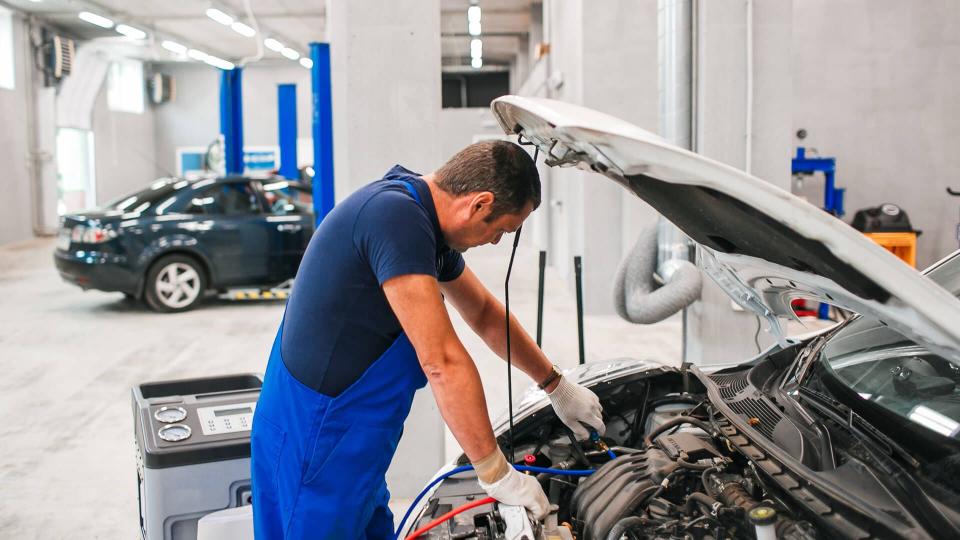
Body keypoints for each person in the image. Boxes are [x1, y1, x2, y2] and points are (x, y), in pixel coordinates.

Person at [250, 140, 605, 539]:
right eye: (502, 230)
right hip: (314, 442)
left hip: (352, 447)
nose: (495, 242)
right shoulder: (394, 219)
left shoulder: (422, 223)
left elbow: (485, 314)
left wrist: (555, 385)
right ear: (479, 204)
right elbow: (442, 362)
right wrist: (496, 474)